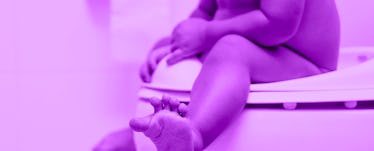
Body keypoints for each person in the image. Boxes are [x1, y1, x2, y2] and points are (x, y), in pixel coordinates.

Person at [94, 0, 340, 150]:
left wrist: (206, 34)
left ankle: (193, 135)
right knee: (220, 48)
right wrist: (176, 42)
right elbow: (206, 11)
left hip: (305, 70)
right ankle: (171, 128)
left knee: (231, 48)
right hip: (255, 61)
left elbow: (278, 24)